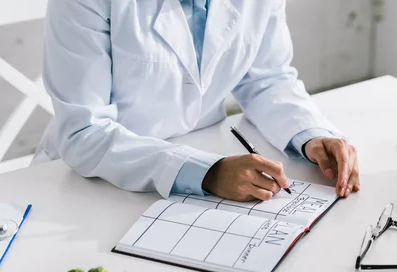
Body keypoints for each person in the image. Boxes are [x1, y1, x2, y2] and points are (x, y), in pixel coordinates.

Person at [32, 0, 359, 201]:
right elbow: (82, 133)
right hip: (88, 183)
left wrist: (312, 136)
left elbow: (267, 78)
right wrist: (207, 172)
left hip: (205, 160)